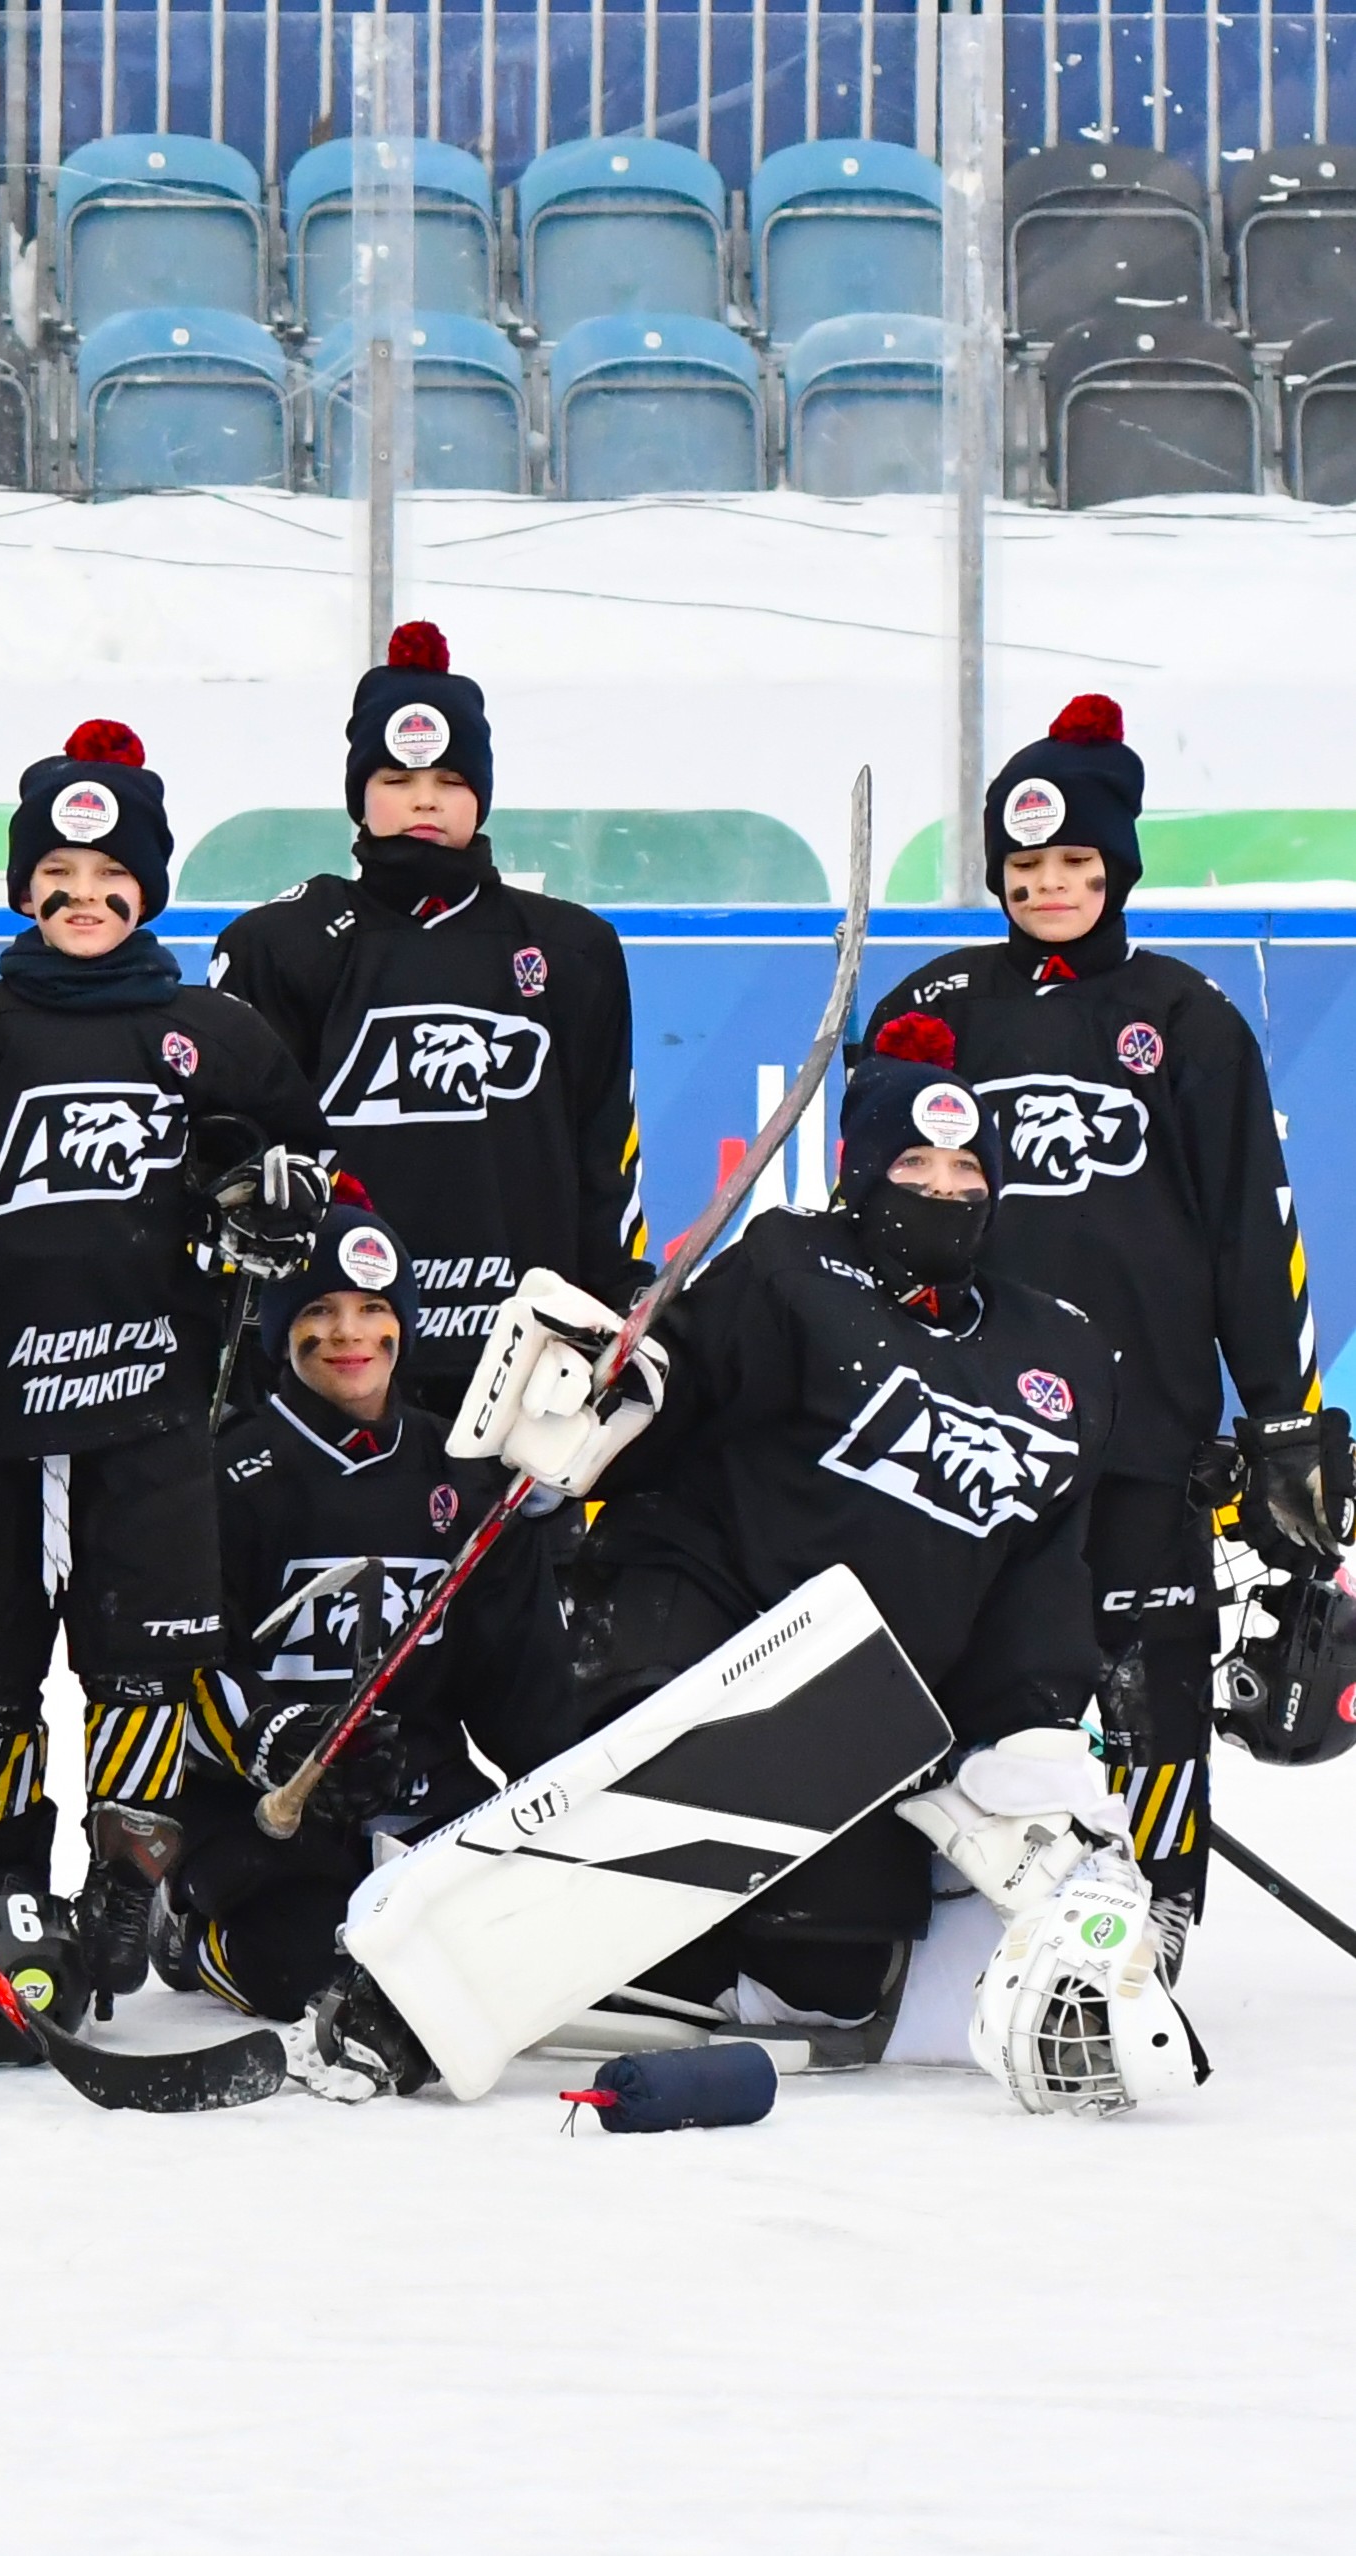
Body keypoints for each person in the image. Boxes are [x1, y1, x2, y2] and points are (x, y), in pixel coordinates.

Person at [297, 1021, 1125, 2099]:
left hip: (864, 1692)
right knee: (662, 1801)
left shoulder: (1057, 1351)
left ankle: (674, 1970)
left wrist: (1029, 1721)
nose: (942, 1189)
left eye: (967, 1168)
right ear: (860, 1173)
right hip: (703, 1612)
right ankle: (411, 1990)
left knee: (827, 1972)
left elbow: (1038, 1564)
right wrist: (609, 1392)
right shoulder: (792, 1267)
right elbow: (676, 1381)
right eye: (912, 1165)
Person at [871, 696, 1326, 1936]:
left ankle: (1157, 1909)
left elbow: (1251, 1228)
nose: (1050, 885)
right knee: (967, 1672)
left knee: (1147, 1689)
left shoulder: (1185, 1021)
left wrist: (1285, 1416)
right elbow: (871, 1214)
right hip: (960, 1420)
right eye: (1024, 865)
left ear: (1117, 865)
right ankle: (962, 1912)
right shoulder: (939, 1004)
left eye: (1075, 862)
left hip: (1140, 1428)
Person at [0, 721, 318, 1966]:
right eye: (58, 882)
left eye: (111, 883)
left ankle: (127, 1887)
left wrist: (277, 1219)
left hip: (150, 1414)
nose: (84, 900)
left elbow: (303, 1185)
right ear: (23, 889)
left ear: (150, 891)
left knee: (144, 1667)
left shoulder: (214, 1033)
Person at [89, 1187, 559, 2036]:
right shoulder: (220, 1476)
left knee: (512, 1951)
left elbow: (516, 1675)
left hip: (416, 1783)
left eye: (372, 1308)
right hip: (260, 1802)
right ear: (277, 1328)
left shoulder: (463, 1474)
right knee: (308, 1972)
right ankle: (188, 1932)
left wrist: (579, 1776)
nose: (348, 1334)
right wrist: (281, 1742)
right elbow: (185, 1670)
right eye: (318, 1309)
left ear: (401, 1323)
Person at [208, 623, 644, 1410]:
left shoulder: (570, 948)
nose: (423, 800)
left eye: (448, 778)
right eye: (395, 777)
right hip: (339, 1354)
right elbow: (243, 1165)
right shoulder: (282, 944)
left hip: (522, 1356)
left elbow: (604, 1152)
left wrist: (614, 1306)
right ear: (357, 794)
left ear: (479, 793)